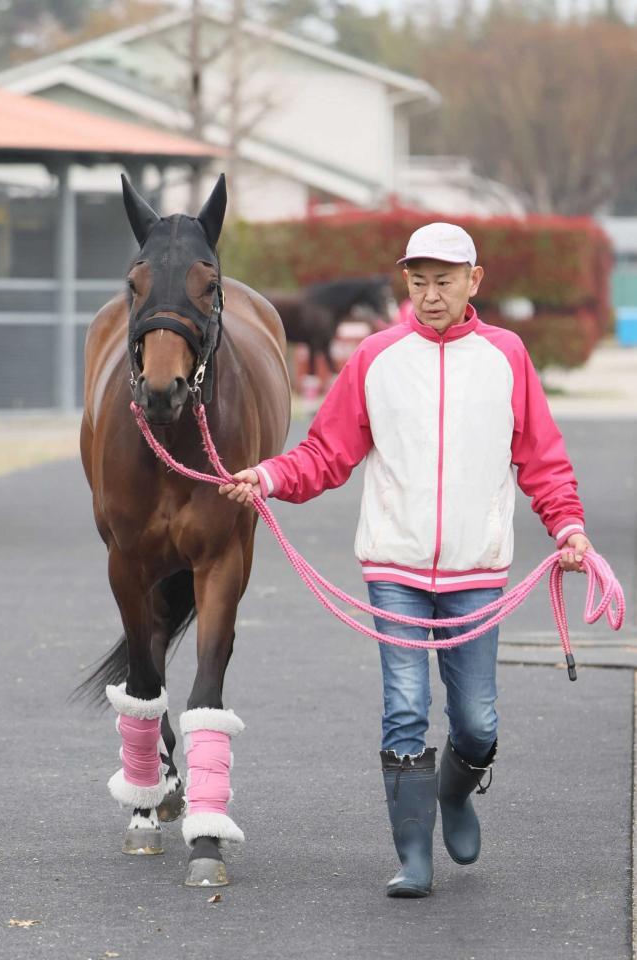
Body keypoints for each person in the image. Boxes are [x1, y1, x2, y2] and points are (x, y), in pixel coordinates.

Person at [218, 222, 592, 898]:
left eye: (442, 282)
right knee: (405, 708)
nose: (428, 295)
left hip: (476, 572)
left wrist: (567, 528)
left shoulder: (506, 356)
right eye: (416, 283)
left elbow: (541, 458)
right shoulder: (376, 358)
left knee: (477, 723)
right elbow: (325, 453)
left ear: (473, 282)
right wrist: (268, 477)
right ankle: (413, 858)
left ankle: (454, 794)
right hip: (393, 569)